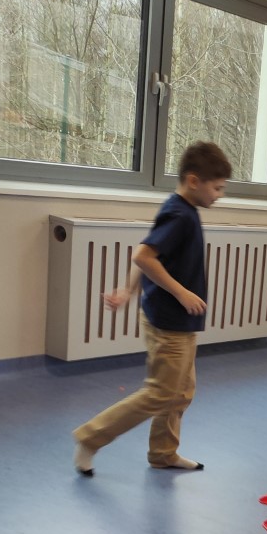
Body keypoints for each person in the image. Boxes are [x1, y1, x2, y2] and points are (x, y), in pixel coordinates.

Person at [72, 141, 231, 476]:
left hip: (180, 322)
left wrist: (129, 290)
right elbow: (143, 256)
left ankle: (163, 453)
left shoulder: (182, 209)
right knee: (160, 394)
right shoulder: (180, 215)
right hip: (169, 324)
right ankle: (90, 438)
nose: (220, 195)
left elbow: (150, 253)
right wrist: (182, 292)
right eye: (217, 188)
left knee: (181, 393)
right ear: (193, 181)